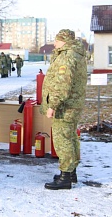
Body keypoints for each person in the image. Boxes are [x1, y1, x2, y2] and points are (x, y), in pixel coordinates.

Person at [40, 29, 87, 190]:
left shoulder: (67, 57)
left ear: (64, 41)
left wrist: (53, 105)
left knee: (63, 140)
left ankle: (65, 177)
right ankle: (71, 172)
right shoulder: (76, 54)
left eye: (57, 40)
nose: (54, 43)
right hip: (73, 104)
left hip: (65, 106)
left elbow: (62, 85)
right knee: (71, 137)